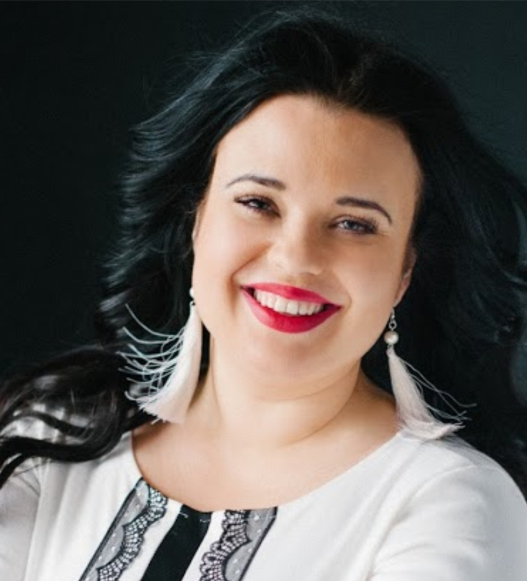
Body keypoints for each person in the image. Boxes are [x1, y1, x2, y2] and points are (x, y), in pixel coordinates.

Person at [1, 7, 527, 580]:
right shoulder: (45, 442)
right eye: (258, 203)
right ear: (195, 221)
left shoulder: (448, 505)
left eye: (354, 224)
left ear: (406, 268)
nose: (296, 259)